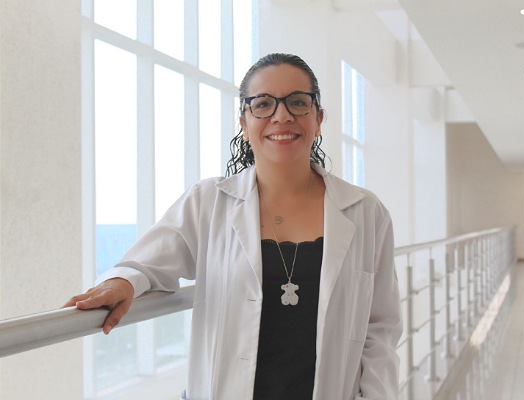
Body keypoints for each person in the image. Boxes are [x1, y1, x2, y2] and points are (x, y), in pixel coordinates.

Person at [65, 53, 402, 400]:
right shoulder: (208, 202)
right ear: (243, 120)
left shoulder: (366, 212)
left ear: (318, 119)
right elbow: (146, 263)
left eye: (298, 102)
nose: (282, 116)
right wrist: (121, 282)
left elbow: (381, 328)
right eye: (264, 104)